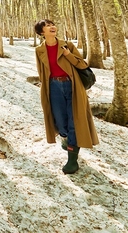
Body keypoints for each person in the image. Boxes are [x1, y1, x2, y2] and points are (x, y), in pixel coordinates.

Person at [34, 19, 99, 174]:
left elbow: (82, 65)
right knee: (60, 121)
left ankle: (72, 161)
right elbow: (41, 71)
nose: (52, 27)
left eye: (52, 25)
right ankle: (65, 138)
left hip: (72, 86)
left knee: (74, 122)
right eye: (48, 26)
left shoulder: (67, 45)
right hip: (53, 87)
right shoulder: (39, 50)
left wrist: (68, 55)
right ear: (42, 32)